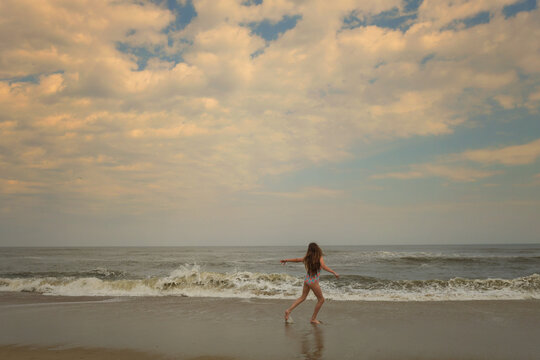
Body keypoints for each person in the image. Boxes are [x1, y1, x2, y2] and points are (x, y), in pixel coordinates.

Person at [280, 243, 339, 324]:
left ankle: (288, 310)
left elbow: (297, 260)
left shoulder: (307, 258)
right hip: (313, 281)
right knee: (321, 300)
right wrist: (334, 272)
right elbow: (324, 266)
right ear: (317, 249)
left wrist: (286, 260)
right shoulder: (319, 257)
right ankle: (313, 319)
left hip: (307, 280)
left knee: (303, 297)